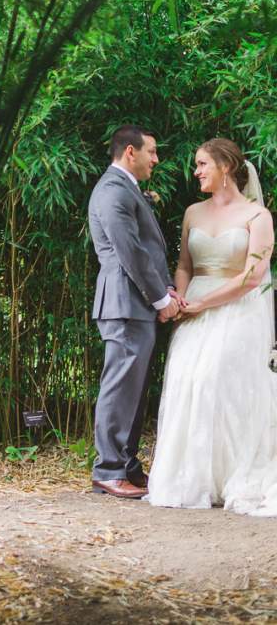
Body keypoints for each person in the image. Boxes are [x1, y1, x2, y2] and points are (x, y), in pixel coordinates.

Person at [147, 138, 277, 514]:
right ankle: (196, 477)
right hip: (194, 306)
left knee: (218, 380)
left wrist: (205, 302)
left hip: (239, 307)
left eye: (203, 164)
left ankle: (234, 473)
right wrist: (182, 301)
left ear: (225, 167)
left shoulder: (258, 216)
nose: (197, 171)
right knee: (188, 382)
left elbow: (254, 277)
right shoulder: (193, 212)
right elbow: (185, 264)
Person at [88, 125, 183, 499]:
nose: (156, 160)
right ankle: (108, 470)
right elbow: (129, 251)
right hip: (124, 303)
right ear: (131, 151)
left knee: (135, 390)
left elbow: (146, 250)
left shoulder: (126, 189)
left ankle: (126, 465)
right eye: (152, 152)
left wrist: (165, 291)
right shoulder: (112, 191)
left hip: (135, 303)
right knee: (120, 386)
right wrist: (161, 298)